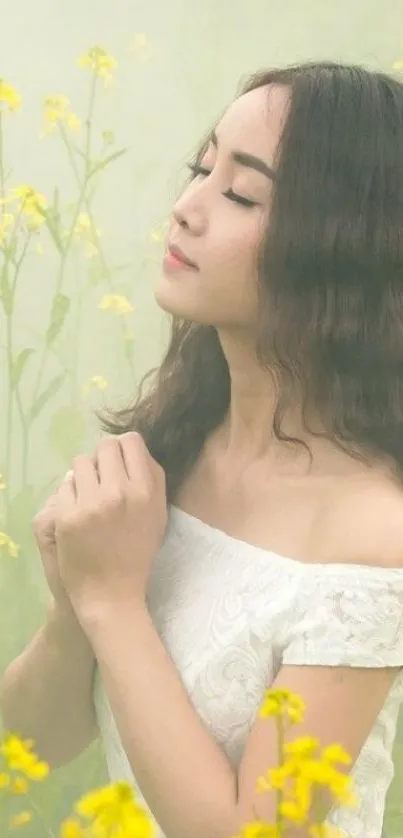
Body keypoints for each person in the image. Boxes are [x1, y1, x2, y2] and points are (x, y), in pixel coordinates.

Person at [2, 60, 403, 838]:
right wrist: (71, 606)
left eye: (240, 193)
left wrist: (113, 601)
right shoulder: (171, 451)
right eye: (199, 167)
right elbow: (31, 748)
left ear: (344, 249)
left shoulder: (372, 537)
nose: (184, 208)